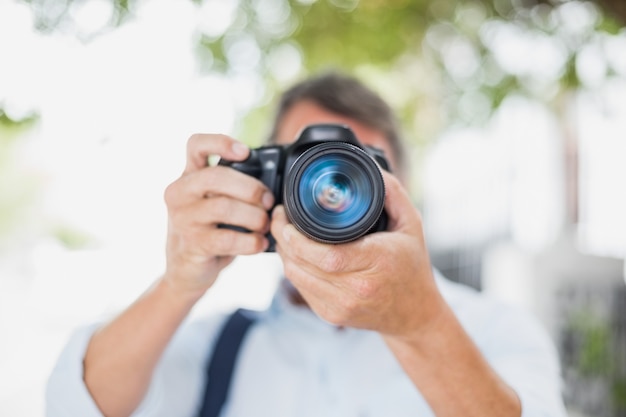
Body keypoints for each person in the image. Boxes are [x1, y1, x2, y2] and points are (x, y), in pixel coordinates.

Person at [46, 71, 567, 417]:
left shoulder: (493, 330)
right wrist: (179, 281)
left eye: (359, 169)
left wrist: (420, 325)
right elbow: (72, 405)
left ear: (402, 191)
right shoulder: (217, 346)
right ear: (265, 187)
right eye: (306, 165)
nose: (332, 192)